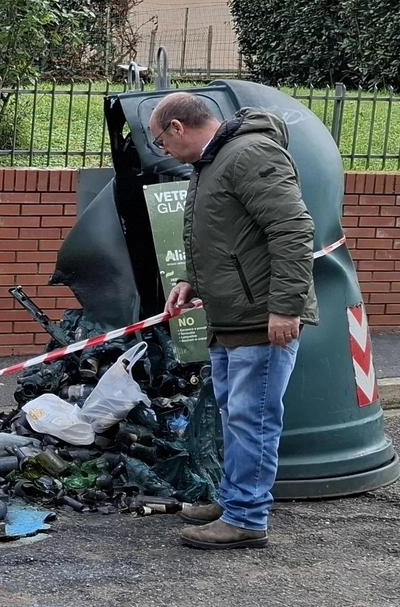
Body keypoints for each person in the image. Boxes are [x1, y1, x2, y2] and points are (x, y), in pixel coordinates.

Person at [150, 92, 317, 549]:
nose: (164, 151)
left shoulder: (249, 153)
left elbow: (292, 228)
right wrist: (191, 281)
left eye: (161, 142)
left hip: (260, 318)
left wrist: (285, 306)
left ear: (178, 127)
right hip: (230, 316)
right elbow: (227, 236)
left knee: (253, 418)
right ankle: (235, 500)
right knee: (236, 415)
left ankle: (246, 518)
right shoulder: (215, 161)